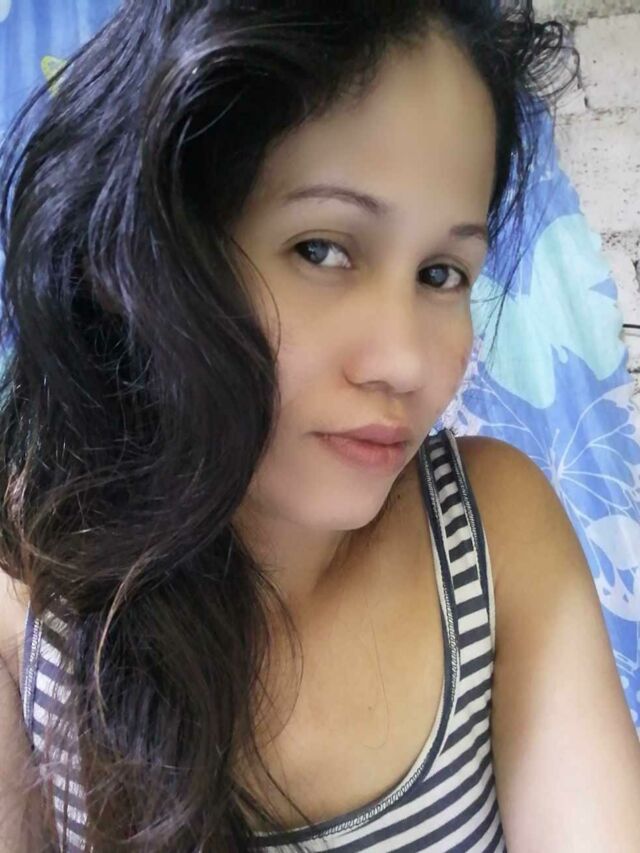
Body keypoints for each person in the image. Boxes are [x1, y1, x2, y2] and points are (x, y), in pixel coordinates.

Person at [0, 0, 639, 850]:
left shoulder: (496, 537)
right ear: (151, 258)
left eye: (442, 273)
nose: (405, 362)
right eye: (322, 250)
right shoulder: (36, 584)